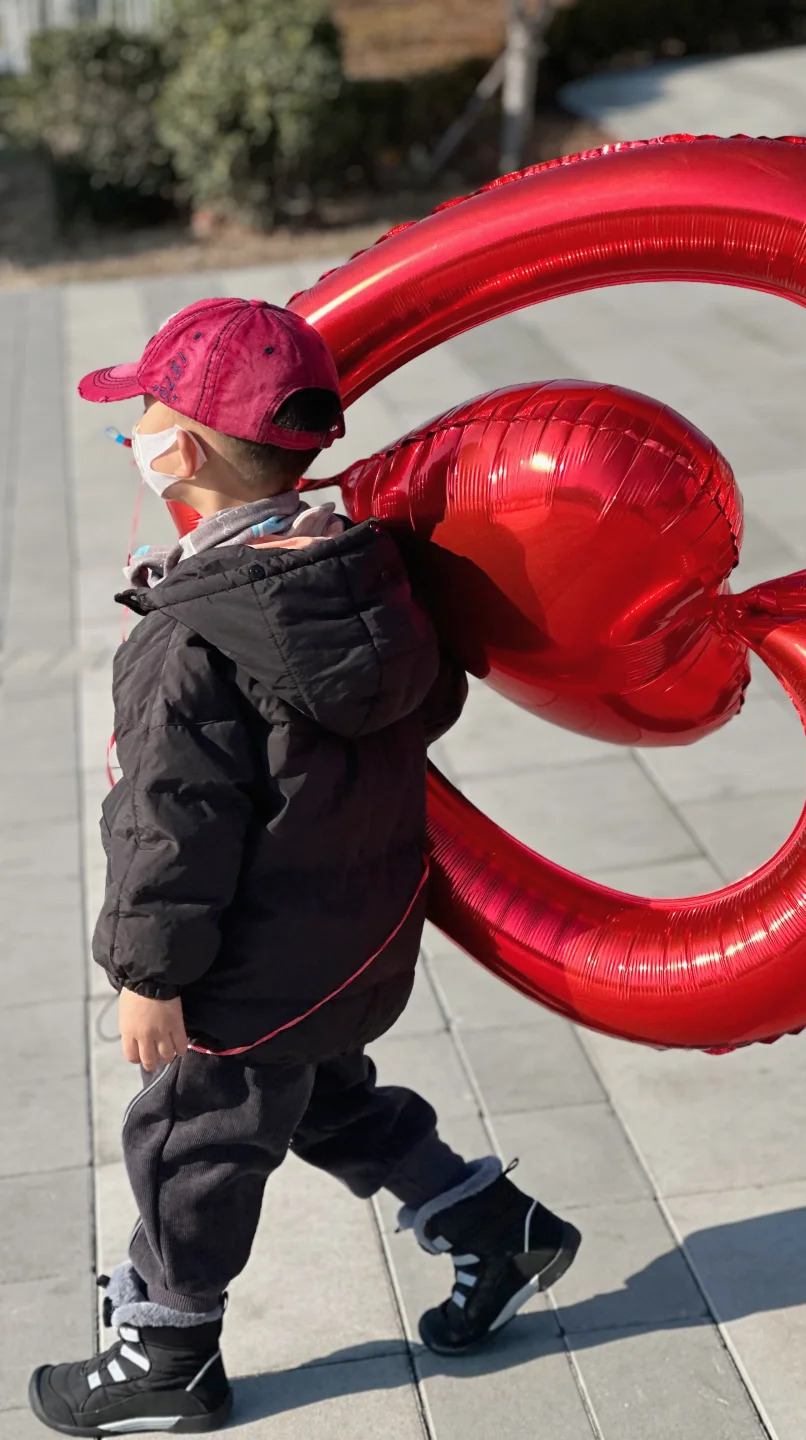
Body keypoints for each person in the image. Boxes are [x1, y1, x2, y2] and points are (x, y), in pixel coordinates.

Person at [29, 298, 580, 1437]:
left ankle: (169, 1345)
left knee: (189, 1137)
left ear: (173, 450)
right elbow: (423, 709)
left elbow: (169, 823)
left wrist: (149, 973)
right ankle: (493, 1225)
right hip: (351, 943)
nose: (131, 430)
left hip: (251, 964)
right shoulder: (367, 574)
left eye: (140, 413)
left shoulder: (189, 639)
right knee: (323, 1095)